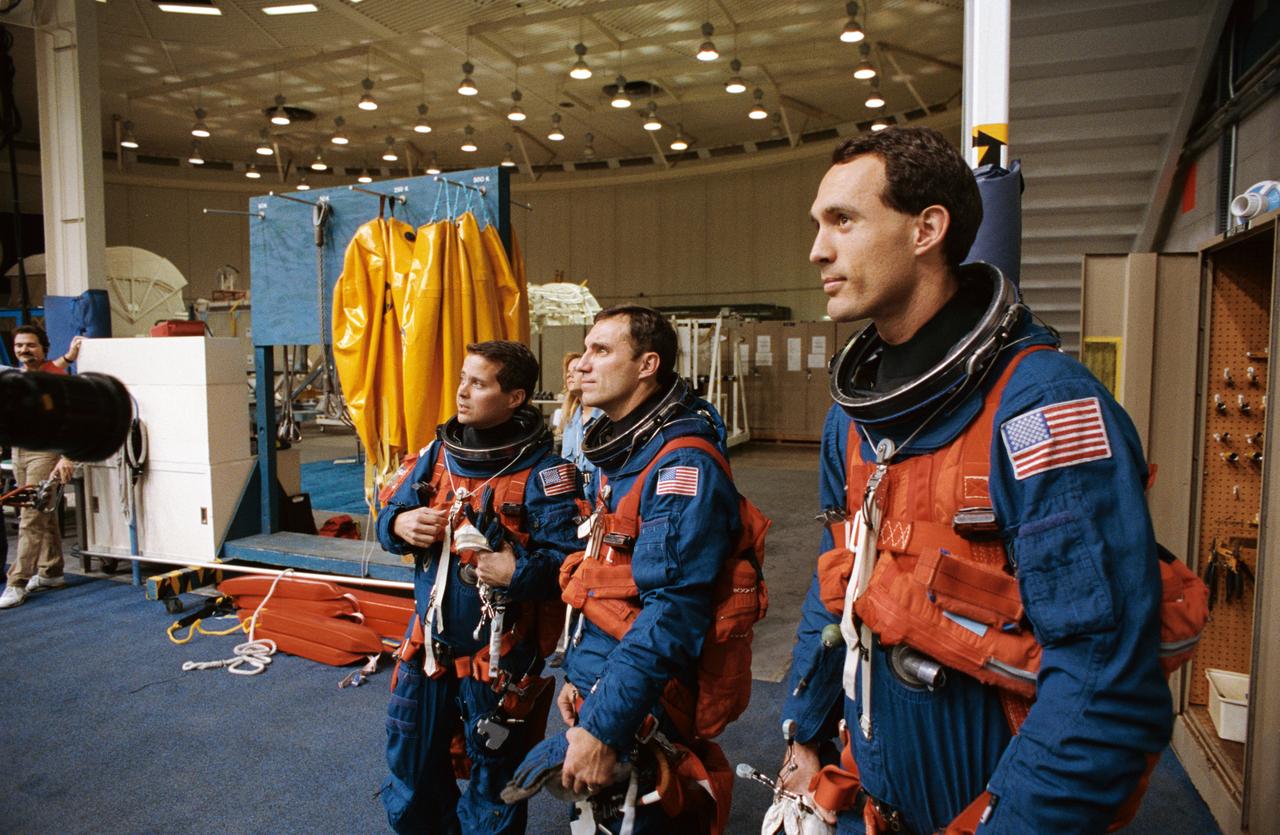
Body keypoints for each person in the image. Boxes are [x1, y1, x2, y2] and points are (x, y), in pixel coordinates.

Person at [777, 127, 1171, 833]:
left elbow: (1105, 677)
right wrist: (805, 730)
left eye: (843, 220)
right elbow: (839, 581)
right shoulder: (853, 424)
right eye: (817, 224)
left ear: (928, 228)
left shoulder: (1042, 409)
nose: (817, 250)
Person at [523, 306, 744, 833]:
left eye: (601, 351)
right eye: (585, 348)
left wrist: (604, 726)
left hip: (647, 698)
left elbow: (670, 614)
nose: (583, 363)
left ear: (648, 365)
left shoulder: (680, 465)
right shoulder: (629, 456)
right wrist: (581, 680)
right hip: (606, 677)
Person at [374, 339, 583, 834]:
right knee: (411, 766)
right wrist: (400, 525)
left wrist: (518, 572)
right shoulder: (436, 457)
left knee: (496, 781)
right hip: (427, 651)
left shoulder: (547, 475)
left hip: (499, 664)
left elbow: (572, 568)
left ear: (514, 397)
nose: (462, 393)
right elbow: (388, 515)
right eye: (463, 379)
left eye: (478, 383)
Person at [1, 326, 82, 610]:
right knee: (42, 513)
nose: (24, 350)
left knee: (31, 517)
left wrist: (67, 456)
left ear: (43, 348)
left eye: (31, 345)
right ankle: (52, 572)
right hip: (19, 451)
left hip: (45, 452)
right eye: (20, 345)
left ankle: (16, 583)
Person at [554, 352, 598, 481]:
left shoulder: (607, 418)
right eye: (568, 371)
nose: (569, 375)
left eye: (576, 370)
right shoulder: (570, 421)